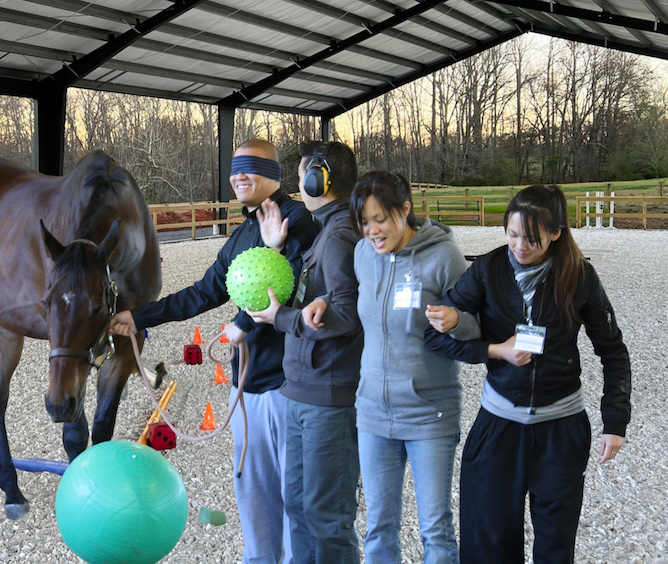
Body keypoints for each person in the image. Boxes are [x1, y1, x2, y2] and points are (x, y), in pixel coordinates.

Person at [108, 139, 318, 564]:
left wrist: (241, 325)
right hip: (249, 384)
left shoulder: (296, 220)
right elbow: (204, 292)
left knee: (296, 496)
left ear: (274, 174)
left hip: (289, 383)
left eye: (251, 167)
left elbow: (291, 284)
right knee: (254, 491)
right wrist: (141, 316)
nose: (238, 174)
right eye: (235, 167)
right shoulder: (242, 232)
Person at [424, 184, 632, 564]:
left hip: (561, 429)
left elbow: (613, 350)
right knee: (488, 539)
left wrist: (615, 421)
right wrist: (491, 348)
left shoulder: (580, 275)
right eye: (513, 234)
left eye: (532, 239)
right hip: (499, 425)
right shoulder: (487, 269)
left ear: (557, 233)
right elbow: (433, 337)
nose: (520, 246)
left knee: (555, 544)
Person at [308, 170, 479, 563]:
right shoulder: (363, 255)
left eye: (380, 219)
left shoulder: (442, 256)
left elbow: (478, 326)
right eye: (364, 222)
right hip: (372, 413)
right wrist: (323, 305)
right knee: (379, 528)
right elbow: (352, 308)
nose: (372, 231)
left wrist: (458, 322)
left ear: (405, 210)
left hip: (429, 415)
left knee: (436, 528)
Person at [245, 140, 363, 564]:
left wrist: (282, 319)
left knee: (327, 517)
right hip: (302, 390)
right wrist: (273, 250)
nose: (298, 186)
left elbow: (347, 313)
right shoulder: (328, 231)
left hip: (326, 396)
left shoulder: (338, 237)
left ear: (318, 179)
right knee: (298, 505)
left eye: (301, 178)